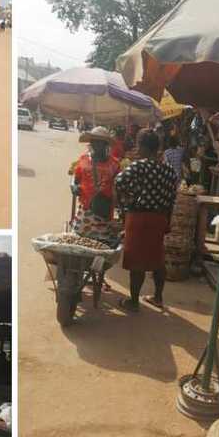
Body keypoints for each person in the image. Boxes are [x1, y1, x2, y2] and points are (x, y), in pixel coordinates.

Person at [115, 128, 179, 311]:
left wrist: (127, 201)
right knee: (158, 258)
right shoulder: (169, 171)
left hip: (139, 217)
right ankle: (158, 297)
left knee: (137, 261)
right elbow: (172, 197)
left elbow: (118, 183)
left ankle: (133, 301)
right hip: (160, 217)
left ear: (142, 146)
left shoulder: (138, 166)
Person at [70, 127, 121, 244]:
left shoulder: (115, 164)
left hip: (103, 213)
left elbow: (119, 188)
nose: (96, 145)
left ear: (106, 144)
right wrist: (73, 185)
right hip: (85, 212)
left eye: (100, 142)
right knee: (78, 241)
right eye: (94, 141)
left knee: (102, 244)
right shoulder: (83, 159)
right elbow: (75, 177)